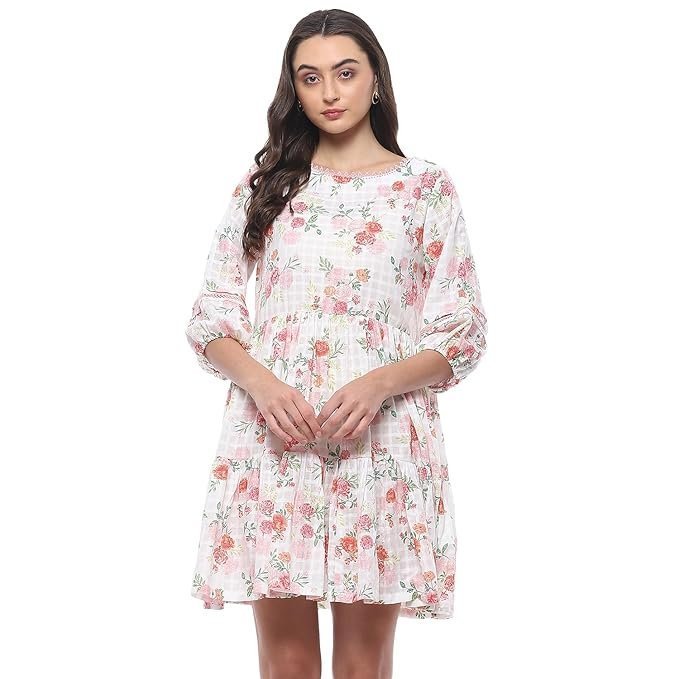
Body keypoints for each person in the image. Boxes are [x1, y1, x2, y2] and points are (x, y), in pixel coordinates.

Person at [184, 9, 488, 679]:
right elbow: (211, 315)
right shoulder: (268, 185)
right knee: (286, 663)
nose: (329, 92)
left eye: (345, 73)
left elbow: (462, 332)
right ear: (293, 88)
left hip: (381, 441)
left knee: (362, 665)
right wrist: (262, 385)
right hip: (274, 437)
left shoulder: (424, 188)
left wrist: (381, 383)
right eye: (310, 77)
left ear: (375, 78)